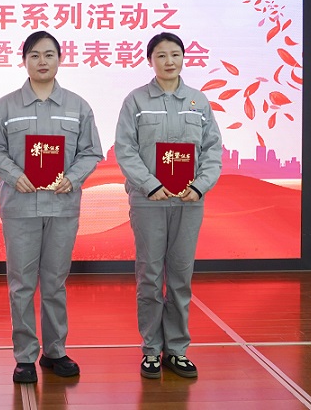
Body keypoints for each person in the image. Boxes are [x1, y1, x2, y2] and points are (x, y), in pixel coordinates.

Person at [0, 30, 103, 383]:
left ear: (60, 59)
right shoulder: (5, 107)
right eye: (34, 55)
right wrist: (14, 174)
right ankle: (24, 356)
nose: (42, 61)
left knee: (54, 282)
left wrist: (73, 178)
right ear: (24, 61)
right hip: (20, 206)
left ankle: (55, 351)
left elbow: (91, 152)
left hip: (62, 206)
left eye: (49, 54)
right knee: (21, 283)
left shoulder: (78, 107)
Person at [114, 32, 222, 380]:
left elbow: (213, 150)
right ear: (150, 61)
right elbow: (125, 149)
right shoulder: (136, 101)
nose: (169, 61)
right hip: (149, 201)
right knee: (149, 275)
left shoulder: (198, 101)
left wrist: (200, 186)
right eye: (161, 55)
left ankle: (176, 349)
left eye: (175, 54)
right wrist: (151, 184)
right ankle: (150, 349)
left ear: (183, 58)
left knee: (180, 276)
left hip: (188, 202)